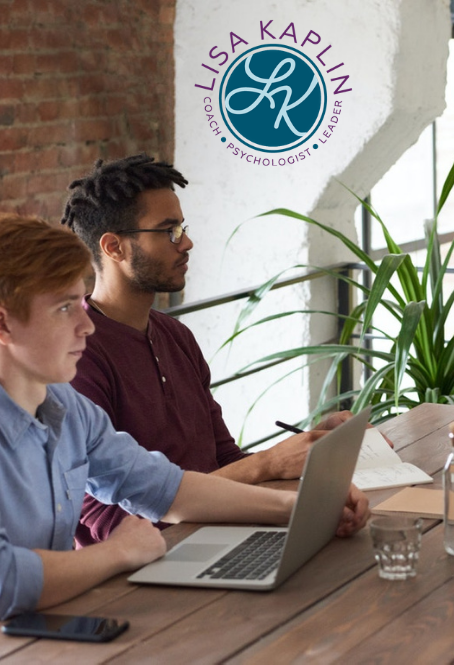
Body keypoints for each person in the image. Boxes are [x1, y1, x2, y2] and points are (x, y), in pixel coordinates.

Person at [0, 215, 370, 619]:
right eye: (64, 308)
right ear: (4, 323)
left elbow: (166, 489)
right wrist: (119, 553)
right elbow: (6, 583)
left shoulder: (68, 408)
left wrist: (301, 507)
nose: (86, 325)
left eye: (82, 303)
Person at [60, 155, 354, 545]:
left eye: (181, 227)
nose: (186, 242)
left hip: (221, 534)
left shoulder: (175, 335)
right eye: (168, 231)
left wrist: (305, 453)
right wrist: (268, 465)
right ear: (114, 247)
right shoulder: (77, 356)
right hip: (145, 568)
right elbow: (109, 524)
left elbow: (224, 459)